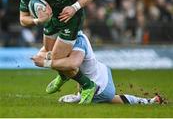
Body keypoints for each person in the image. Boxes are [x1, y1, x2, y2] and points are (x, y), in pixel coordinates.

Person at [19, 0, 98, 104]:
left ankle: (88, 86)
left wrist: (74, 7)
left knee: (54, 58)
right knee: (49, 53)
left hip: (71, 20)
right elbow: (23, 19)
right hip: (52, 20)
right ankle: (63, 75)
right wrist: (38, 20)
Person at [32, 31, 163, 104]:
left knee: (64, 64)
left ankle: (68, 80)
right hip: (102, 74)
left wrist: (45, 63)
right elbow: (44, 52)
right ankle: (149, 102)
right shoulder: (68, 37)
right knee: (112, 100)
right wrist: (45, 56)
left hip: (98, 86)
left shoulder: (78, 41)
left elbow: (72, 64)